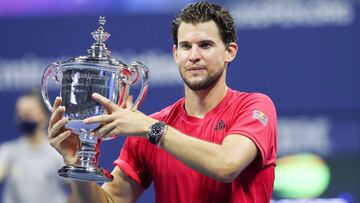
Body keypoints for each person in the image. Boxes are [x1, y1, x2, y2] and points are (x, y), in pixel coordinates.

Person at [48, 2, 277, 203]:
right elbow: (112, 200)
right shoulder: (151, 128)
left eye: (205, 45)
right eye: (186, 46)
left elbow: (226, 165)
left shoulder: (254, 106)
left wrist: (151, 129)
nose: (193, 55)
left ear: (230, 52)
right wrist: (78, 165)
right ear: (175, 53)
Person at [0, 89, 73, 203]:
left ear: (44, 116)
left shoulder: (59, 153)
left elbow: (77, 188)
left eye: (29, 113)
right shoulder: (8, 152)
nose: (24, 118)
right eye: (20, 113)